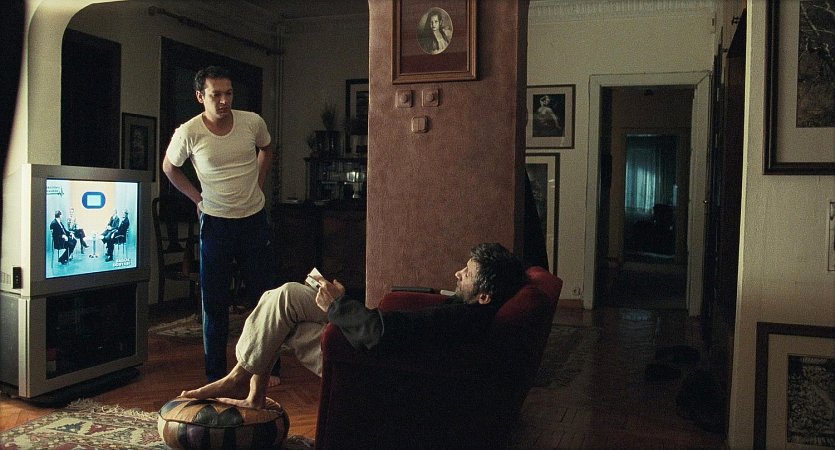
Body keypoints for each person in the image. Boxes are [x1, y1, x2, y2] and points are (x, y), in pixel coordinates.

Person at [180, 242, 528, 410]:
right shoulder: (468, 310)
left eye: (467, 274)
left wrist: (336, 305)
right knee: (282, 296)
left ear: (485, 296)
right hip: (370, 336)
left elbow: (378, 335)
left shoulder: (459, 320)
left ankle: (240, 379)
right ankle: (251, 390)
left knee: (287, 318)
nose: (457, 274)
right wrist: (343, 303)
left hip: (370, 364)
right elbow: (392, 327)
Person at [162, 65, 274, 382]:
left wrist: (258, 184)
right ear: (200, 96)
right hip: (216, 224)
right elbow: (169, 167)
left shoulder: (252, 122)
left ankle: (268, 367)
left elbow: (267, 148)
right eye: (216, 95)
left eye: (228, 94)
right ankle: (215, 375)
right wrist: (197, 199)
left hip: (253, 220)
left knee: (264, 299)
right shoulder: (188, 132)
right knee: (214, 303)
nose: (224, 101)